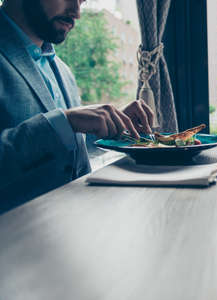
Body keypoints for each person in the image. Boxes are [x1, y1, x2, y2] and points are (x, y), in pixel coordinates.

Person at [0, 0, 155, 202]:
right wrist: (62, 122)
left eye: (81, 1)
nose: (76, 12)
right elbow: (59, 126)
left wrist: (112, 124)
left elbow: (62, 149)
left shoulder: (63, 72)